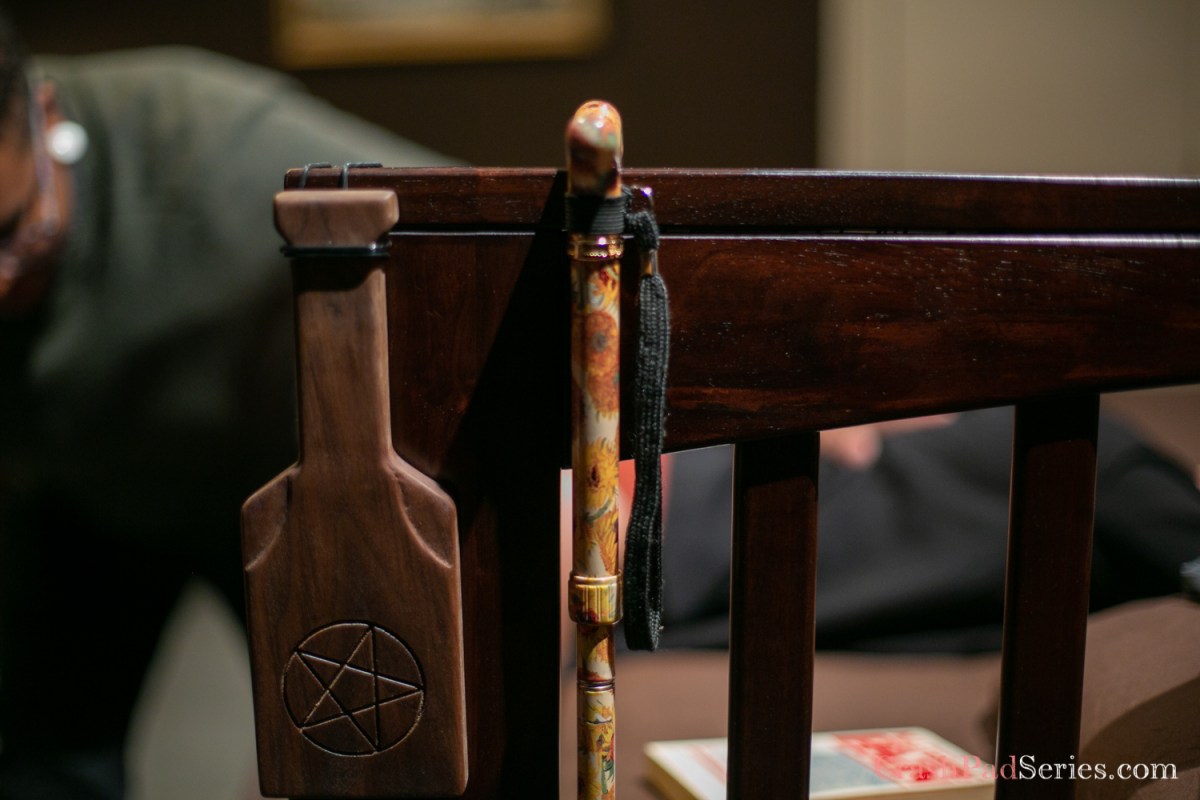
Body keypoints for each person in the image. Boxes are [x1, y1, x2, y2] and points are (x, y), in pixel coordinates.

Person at [0, 12, 457, 798]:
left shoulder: (230, 156)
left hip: (287, 478)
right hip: (73, 488)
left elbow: (495, 268)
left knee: (349, 772)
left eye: (9, 239)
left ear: (43, 119)